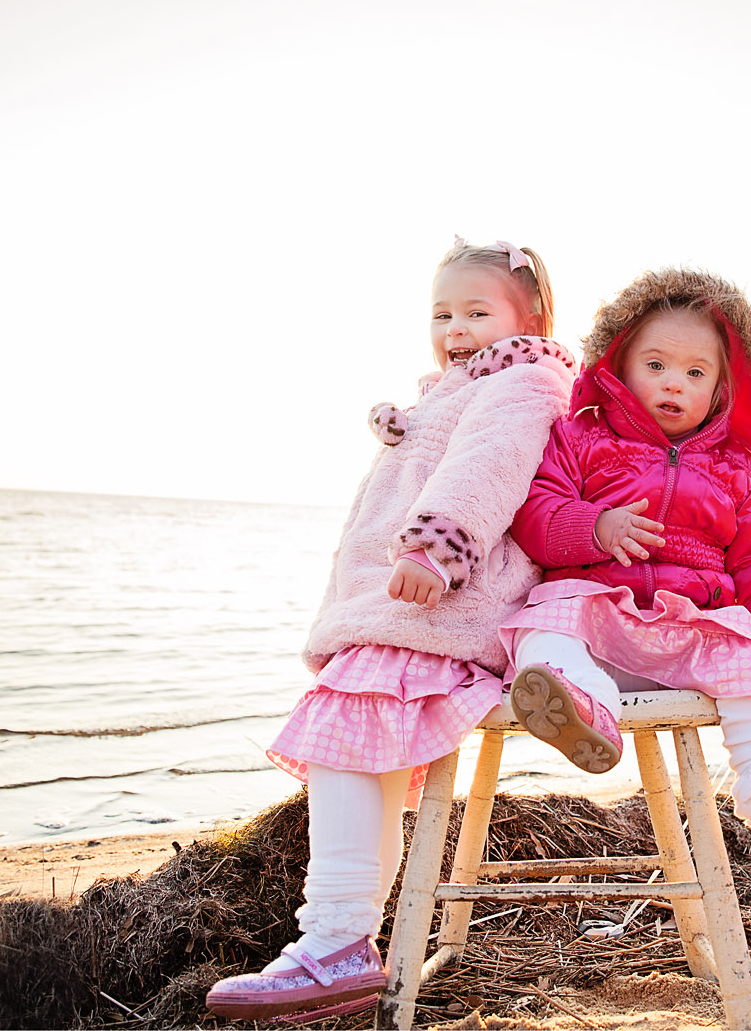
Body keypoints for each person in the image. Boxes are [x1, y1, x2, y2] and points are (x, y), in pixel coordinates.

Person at [205, 238, 576, 1023]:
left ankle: (335, 935)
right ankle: (343, 939)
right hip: (400, 605)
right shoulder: (455, 387)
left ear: (529, 318)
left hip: (443, 599)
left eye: (478, 312)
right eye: (442, 313)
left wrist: (439, 545)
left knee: (345, 734)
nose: (455, 327)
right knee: (357, 750)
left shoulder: (522, 379)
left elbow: (490, 466)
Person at [502, 267, 751, 862]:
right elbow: (534, 512)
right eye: (655, 365)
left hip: (690, 634)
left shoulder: (736, 466)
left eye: (695, 373)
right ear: (617, 366)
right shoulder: (581, 439)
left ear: (722, 388)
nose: (673, 385)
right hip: (599, 620)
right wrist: (595, 527)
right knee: (545, 621)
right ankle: (581, 709)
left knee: (750, 653)